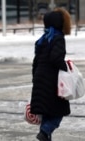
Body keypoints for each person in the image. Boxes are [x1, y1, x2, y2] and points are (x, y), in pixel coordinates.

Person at [30, 7, 71, 141]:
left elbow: (35, 61)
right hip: (52, 82)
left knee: (47, 112)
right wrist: (67, 68)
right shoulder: (58, 38)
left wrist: (35, 78)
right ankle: (44, 132)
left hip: (40, 79)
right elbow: (56, 58)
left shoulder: (42, 39)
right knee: (59, 112)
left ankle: (45, 136)